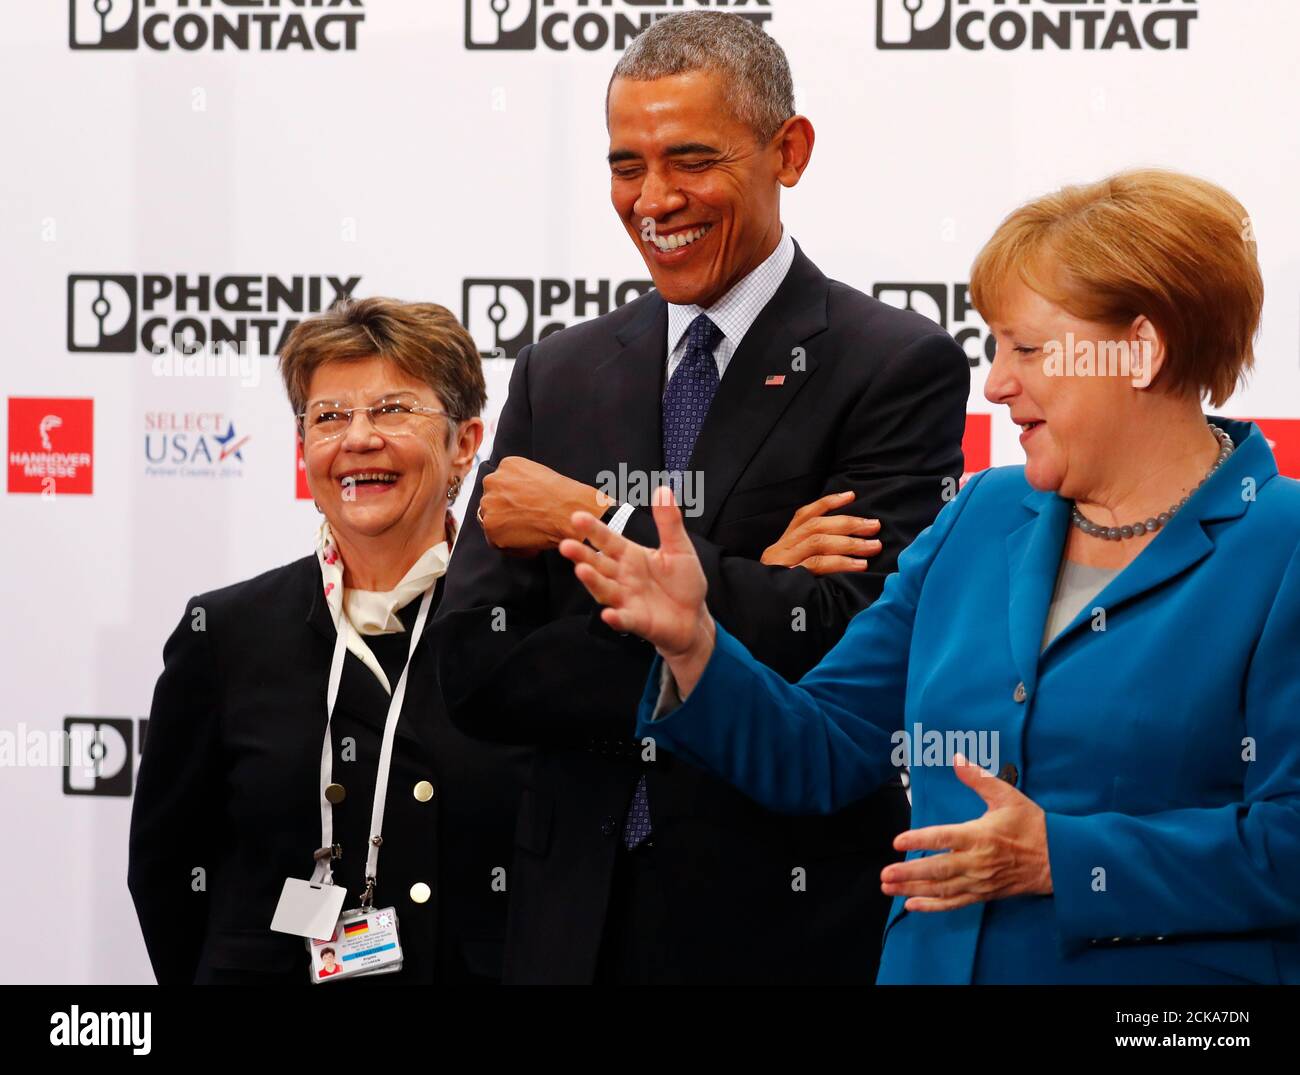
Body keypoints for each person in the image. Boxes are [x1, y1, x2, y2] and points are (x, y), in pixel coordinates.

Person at [561, 168, 1300, 984]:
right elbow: (826, 745)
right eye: (994, 347)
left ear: (1141, 349)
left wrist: (1063, 857)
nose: (996, 383)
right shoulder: (980, 514)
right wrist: (697, 647)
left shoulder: (1283, 544)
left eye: (1028, 349)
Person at [433, 12, 969, 984]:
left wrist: (589, 529)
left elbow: (852, 642)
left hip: (782, 923)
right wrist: (744, 587)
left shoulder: (894, 364)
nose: (653, 198)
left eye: (690, 159)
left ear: (788, 151)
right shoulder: (560, 372)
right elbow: (476, 663)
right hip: (569, 926)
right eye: (625, 165)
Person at [128, 298, 529, 984]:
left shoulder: (522, 629)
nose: (359, 438)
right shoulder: (224, 634)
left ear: (464, 443)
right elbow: (166, 874)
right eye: (330, 416)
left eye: (393, 409)